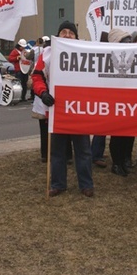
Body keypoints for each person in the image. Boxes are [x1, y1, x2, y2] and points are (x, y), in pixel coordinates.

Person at [32, 21, 94, 197]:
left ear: (76, 36)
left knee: (83, 150)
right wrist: (43, 93)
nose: (67, 35)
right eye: (63, 32)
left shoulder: (86, 51)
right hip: (57, 110)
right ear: (57, 35)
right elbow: (37, 77)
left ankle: (86, 184)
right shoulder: (47, 53)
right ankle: (58, 184)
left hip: (79, 110)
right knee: (57, 151)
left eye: (71, 33)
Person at [107, 28, 135, 176]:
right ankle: (116, 163)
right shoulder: (109, 58)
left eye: (129, 41)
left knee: (128, 133)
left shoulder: (133, 56)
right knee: (117, 135)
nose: (128, 44)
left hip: (129, 100)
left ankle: (125, 159)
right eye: (125, 42)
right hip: (115, 100)